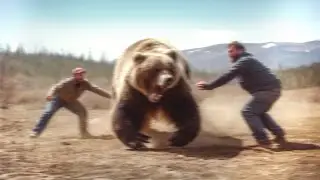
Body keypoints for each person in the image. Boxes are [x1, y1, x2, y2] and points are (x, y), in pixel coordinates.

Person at [196, 41, 287, 148]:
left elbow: (229, 75)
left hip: (267, 91)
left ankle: (263, 140)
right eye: (229, 52)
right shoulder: (246, 61)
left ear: (241, 50)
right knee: (259, 112)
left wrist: (209, 86)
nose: (229, 54)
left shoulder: (245, 61)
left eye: (232, 51)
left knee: (248, 112)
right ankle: (279, 134)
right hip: (271, 90)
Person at [30, 67, 112, 139]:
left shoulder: (85, 83)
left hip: (70, 101)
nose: (81, 76)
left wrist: (111, 96)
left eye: (82, 74)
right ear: (74, 75)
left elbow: (97, 90)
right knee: (48, 113)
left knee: (82, 112)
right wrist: (49, 94)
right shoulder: (67, 82)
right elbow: (55, 87)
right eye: (79, 74)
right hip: (58, 99)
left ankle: (84, 134)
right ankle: (35, 132)